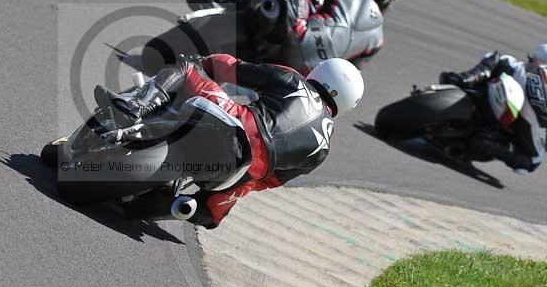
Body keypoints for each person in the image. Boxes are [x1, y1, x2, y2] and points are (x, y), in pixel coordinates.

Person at [94, 53, 364, 228]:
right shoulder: (323, 149)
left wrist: (207, 63)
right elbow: (269, 182)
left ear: (319, 72)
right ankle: (164, 205)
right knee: (211, 216)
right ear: (347, 104)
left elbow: (233, 69)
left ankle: (137, 107)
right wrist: (239, 183)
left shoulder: (293, 80)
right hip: (242, 170)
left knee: (187, 67)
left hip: (232, 120)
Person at [186, 0, 400, 73]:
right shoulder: (378, 41)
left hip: (299, 31)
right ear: (388, 1)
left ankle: (224, 2)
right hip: (307, 70)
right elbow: (349, 73)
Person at [439, 44, 547, 174]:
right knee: (530, 162)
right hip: (529, 116)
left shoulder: (521, 66)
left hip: (529, 116)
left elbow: (498, 59)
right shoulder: (525, 69)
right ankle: (490, 144)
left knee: (499, 60)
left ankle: (467, 79)